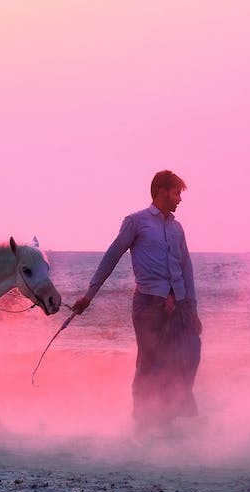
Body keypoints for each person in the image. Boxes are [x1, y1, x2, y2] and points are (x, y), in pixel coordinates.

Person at [71, 170, 202, 436]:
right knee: (150, 362)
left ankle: (168, 414)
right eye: (177, 193)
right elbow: (111, 257)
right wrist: (89, 295)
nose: (179, 199)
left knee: (189, 352)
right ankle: (143, 421)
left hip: (179, 303)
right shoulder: (136, 222)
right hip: (148, 304)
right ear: (161, 192)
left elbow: (186, 268)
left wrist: (192, 306)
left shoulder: (177, 228)